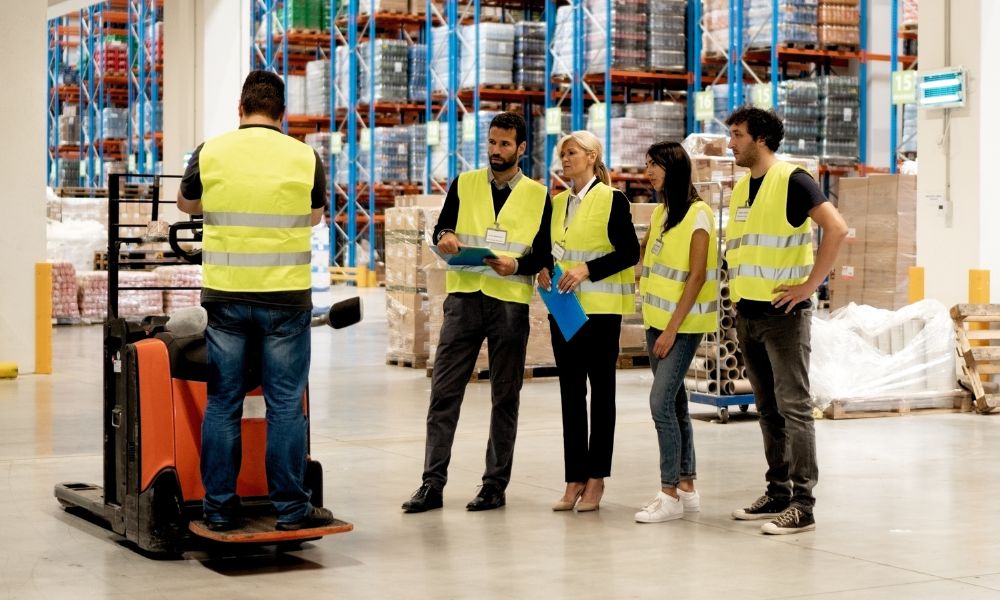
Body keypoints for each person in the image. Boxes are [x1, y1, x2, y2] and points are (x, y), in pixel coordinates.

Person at [177, 70, 334, 532]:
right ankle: (290, 511)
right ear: (282, 114)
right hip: (285, 297)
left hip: (226, 296)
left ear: (241, 109)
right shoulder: (305, 156)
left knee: (223, 401)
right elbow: (315, 216)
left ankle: (220, 511)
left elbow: (187, 205)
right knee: (285, 405)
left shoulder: (212, 150)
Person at [401, 112, 552, 513]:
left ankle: (494, 486)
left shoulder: (539, 195)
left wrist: (517, 266)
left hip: (509, 305)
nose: (495, 151)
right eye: (492, 142)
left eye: (505, 144)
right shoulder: (464, 183)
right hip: (464, 299)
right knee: (444, 393)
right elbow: (442, 229)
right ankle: (431, 484)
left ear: (521, 148)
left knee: (505, 397)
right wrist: (445, 236)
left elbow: (543, 253)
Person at [724, 107, 847, 535]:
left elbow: (837, 228)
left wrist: (809, 286)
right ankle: (777, 491)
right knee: (768, 408)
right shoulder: (743, 188)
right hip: (749, 312)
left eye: (738, 135)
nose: (731, 142)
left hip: (784, 315)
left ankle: (803, 502)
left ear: (760, 139)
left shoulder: (793, 180)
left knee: (794, 408)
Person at [540, 131, 638, 513]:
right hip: (563, 310)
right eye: (562, 153)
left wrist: (587, 270)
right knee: (569, 394)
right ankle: (574, 477)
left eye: (572, 152)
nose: (565, 159)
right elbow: (545, 249)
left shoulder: (612, 200)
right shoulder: (557, 202)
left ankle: (596, 478)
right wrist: (544, 270)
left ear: (592, 156)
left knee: (602, 394)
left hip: (600, 313)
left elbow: (629, 251)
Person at [633, 141, 718, 524]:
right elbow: (644, 263)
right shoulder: (662, 213)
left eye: (656, 165)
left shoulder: (699, 214)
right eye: (647, 164)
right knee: (676, 403)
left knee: (660, 404)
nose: (648, 172)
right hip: (655, 321)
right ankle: (687, 487)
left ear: (675, 169)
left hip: (680, 327)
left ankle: (667, 493)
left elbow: (697, 277)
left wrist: (670, 330)